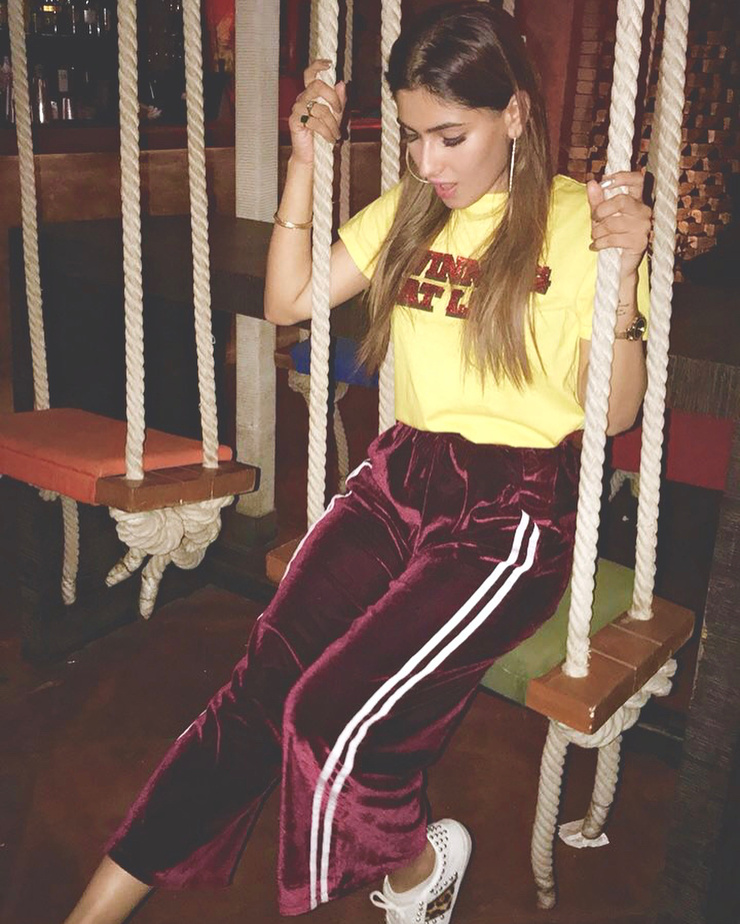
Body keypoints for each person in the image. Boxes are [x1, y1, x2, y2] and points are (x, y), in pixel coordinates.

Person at [63, 4, 651, 923]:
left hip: (515, 512)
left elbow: (612, 412)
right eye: (414, 136)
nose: (428, 163)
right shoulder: (410, 213)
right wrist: (305, 161)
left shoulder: (584, 222)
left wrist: (625, 281)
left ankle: (415, 872)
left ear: (515, 115)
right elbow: (288, 299)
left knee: (330, 717)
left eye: (450, 137)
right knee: (259, 692)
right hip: (400, 477)